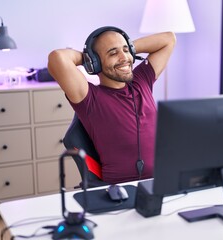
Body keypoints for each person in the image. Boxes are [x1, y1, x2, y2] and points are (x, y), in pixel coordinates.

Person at [48, 26, 176, 184]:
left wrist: (128, 48)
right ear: (95, 62)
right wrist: (90, 58)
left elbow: (169, 39)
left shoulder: (142, 80)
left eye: (126, 50)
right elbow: (57, 58)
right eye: (113, 53)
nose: (125, 58)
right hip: (121, 189)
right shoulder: (89, 98)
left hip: (163, 181)